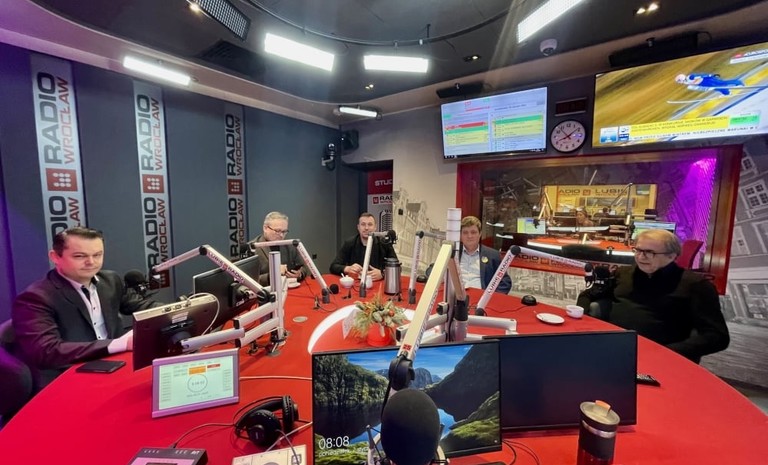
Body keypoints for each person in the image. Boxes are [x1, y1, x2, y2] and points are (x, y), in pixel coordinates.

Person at [12, 227, 159, 389]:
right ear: (55, 257)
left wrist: (177, 309)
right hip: (68, 375)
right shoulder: (36, 298)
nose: (91, 262)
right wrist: (120, 344)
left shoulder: (110, 280)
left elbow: (141, 306)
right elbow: (47, 351)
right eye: (80, 256)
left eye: (97, 255)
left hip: (115, 366)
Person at [577, 229, 729, 363]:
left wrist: (668, 352)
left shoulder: (695, 285)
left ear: (671, 256)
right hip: (613, 348)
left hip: (661, 357)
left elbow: (717, 336)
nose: (641, 257)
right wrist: (583, 322)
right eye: (638, 250)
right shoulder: (623, 273)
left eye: (650, 252)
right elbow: (588, 295)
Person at [330, 212, 397, 281]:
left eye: (370, 224)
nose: (366, 228)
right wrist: (347, 268)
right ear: (358, 227)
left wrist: (383, 273)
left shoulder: (384, 243)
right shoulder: (350, 243)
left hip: (379, 284)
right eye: (363, 224)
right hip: (356, 283)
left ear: (375, 227)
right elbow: (333, 266)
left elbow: (397, 268)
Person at [250, 211, 307, 286]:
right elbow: (248, 280)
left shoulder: (290, 244)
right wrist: (272, 276)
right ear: (265, 228)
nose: (281, 235)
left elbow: (303, 267)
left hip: (289, 288)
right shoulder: (252, 248)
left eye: (284, 231)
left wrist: (299, 274)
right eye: (277, 231)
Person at [458, 216, 511, 294]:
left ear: (480, 234)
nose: (469, 236)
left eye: (473, 232)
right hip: (456, 297)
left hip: (481, 298)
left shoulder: (493, 255)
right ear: (460, 235)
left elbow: (505, 282)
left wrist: (491, 298)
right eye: (465, 233)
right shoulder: (453, 253)